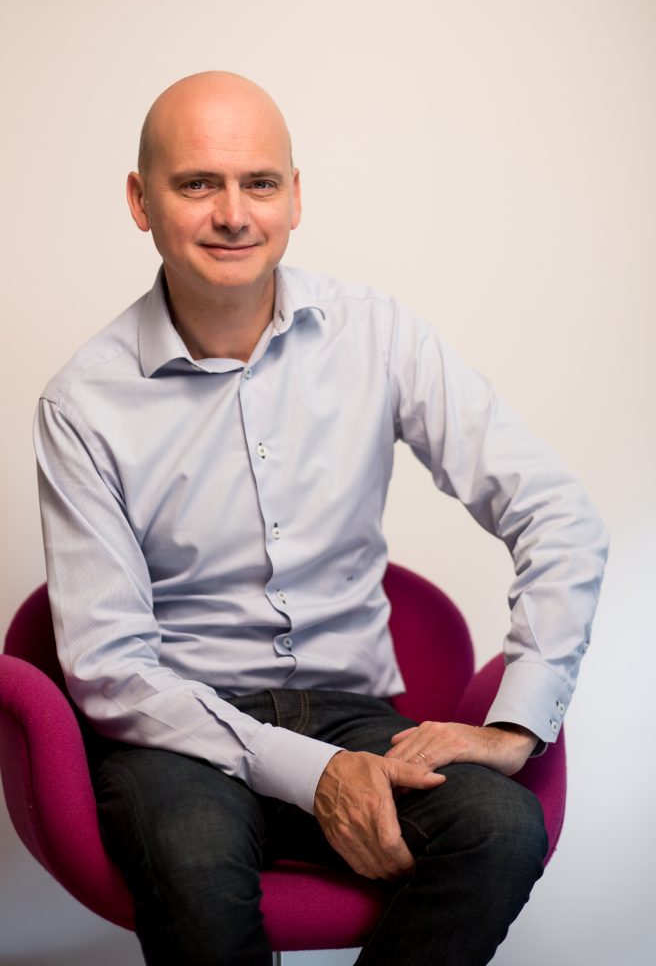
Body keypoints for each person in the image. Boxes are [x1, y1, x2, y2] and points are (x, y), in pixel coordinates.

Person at [34, 71, 608, 965]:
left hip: (355, 716)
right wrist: (315, 775)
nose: (234, 214)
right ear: (141, 201)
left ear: (295, 197)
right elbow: (111, 673)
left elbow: (557, 511)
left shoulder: (377, 334)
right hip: (183, 733)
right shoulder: (83, 404)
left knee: (500, 829)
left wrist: (518, 722)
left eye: (259, 183)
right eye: (198, 184)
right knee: (194, 858)